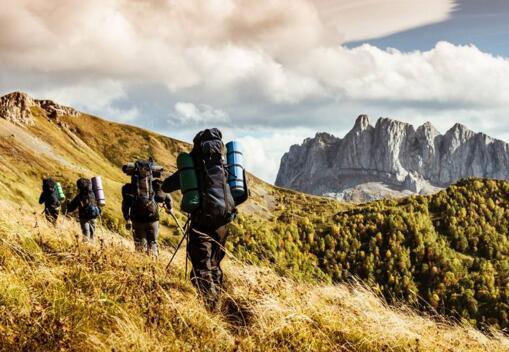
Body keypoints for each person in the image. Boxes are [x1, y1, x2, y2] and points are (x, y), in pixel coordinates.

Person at [162, 128, 246, 310]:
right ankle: (219, 303)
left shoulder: (193, 164)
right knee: (215, 264)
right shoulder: (225, 164)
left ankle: (210, 308)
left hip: (202, 221)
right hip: (224, 221)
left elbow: (167, 186)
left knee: (201, 265)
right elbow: (241, 193)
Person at [121, 160, 172, 257]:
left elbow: (125, 205)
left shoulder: (128, 188)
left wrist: (127, 218)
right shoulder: (155, 185)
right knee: (153, 243)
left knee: (140, 246)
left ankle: (141, 266)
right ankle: (153, 266)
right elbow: (167, 198)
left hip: (137, 219)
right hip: (153, 219)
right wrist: (170, 208)